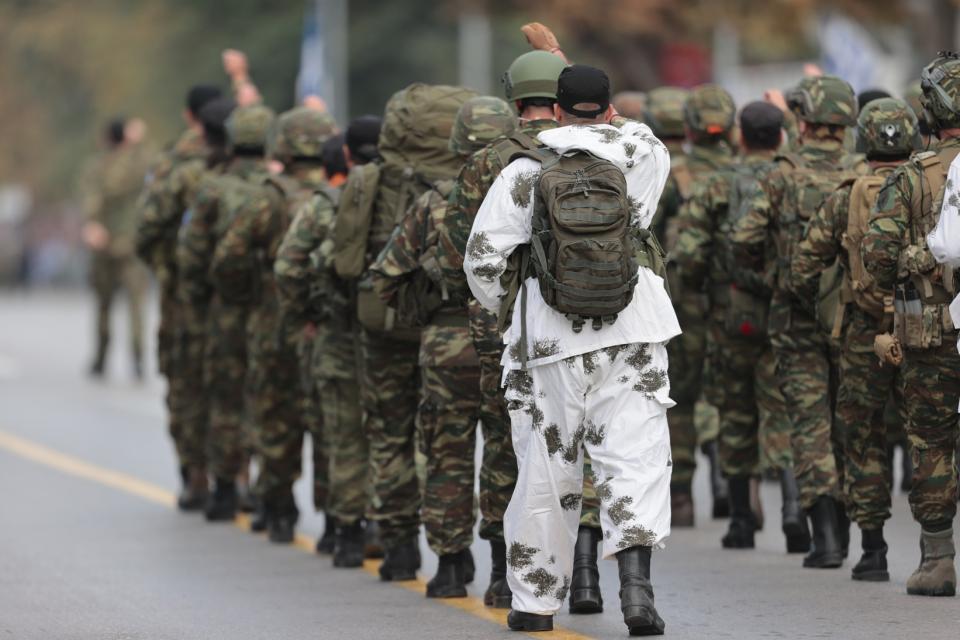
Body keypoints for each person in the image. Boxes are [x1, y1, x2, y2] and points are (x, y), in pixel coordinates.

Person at [465, 64, 677, 635]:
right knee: (634, 460)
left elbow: (482, 260)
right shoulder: (643, 155)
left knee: (547, 469)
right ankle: (637, 592)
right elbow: (639, 141)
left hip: (549, 342)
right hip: (633, 329)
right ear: (609, 108)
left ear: (555, 110)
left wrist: (516, 306)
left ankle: (536, 605)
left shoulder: (525, 171)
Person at [438, 47, 609, 613]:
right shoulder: (600, 146)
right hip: (591, 317)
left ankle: (503, 573)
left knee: (510, 440)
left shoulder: (489, 161)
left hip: (509, 323)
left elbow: (458, 250)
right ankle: (585, 571)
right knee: (582, 438)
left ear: (515, 98)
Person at [371, 96, 516, 598]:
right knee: (505, 453)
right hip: (507, 343)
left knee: (445, 454)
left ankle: (451, 566)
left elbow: (386, 276)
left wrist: (426, 311)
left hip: (444, 347)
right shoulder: (526, 194)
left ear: (456, 145)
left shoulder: (434, 201)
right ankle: (502, 573)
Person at [332, 83, 476, 582]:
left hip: (384, 323)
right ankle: (455, 553)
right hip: (455, 329)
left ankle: (399, 548)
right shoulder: (474, 184)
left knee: (388, 433)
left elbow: (349, 260)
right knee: (447, 441)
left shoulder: (372, 180)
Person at [732, 74, 866, 569]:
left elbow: (744, 238)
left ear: (803, 122)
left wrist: (773, 273)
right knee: (849, 421)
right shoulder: (863, 173)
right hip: (854, 317)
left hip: (794, 316)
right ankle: (854, 533)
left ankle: (825, 538)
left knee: (808, 424)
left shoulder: (780, 174)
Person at [791, 98, 919, 582]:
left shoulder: (847, 196)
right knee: (930, 436)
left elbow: (804, 265)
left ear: (863, 140)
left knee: (863, 437)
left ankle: (873, 550)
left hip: (864, 331)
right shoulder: (931, 186)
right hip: (924, 328)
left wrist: (822, 312)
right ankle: (935, 549)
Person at [674, 101, 806, 552]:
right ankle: (794, 508)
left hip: (731, 314)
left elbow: (690, 252)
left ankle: (742, 522)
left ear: (741, 137)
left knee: (735, 411)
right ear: (781, 136)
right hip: (787, 314)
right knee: (783, 408)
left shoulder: (717, 183)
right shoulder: (794, 178)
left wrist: (699, 291)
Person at [211, 106, 336, 543]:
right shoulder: (342, 193)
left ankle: (278, 508)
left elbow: (228, 257)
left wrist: (249, 293)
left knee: (275, 412)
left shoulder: (269, 197)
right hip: (327, 324)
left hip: (273, 319)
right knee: (330, 418)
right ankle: (337, 521)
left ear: (282, 146)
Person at [863, 52, 960, 597]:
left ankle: (938, 559)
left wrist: (917, 257)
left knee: (931, 441)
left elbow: (877, 259)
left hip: (932, 334)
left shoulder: (910, 176)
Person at [274, 115, 382, 567]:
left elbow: (288, 267)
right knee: (392, 435)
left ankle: (346, 532)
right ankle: (392, 530)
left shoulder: (327, 203)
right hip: (391, 338)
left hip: (337, 334)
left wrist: (306, 315)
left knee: (343, 436)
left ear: (346, 155)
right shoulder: (404, 196)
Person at [177, 103, 275, 522]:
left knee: (225, 397)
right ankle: (260, 486)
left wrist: (202, 297)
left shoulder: (212, 189)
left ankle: (223, 488)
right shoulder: (277, 188)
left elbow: (192, 254)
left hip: (224, 309)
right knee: (268, 396)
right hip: (271, 309)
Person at [136, 83, 223, 510]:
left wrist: (165, 269)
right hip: (236, 296)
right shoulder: (246, 162)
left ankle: (196, 474)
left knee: (186, 382)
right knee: (237, 381)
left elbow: (147, 229)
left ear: (190, 117)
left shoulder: (173, 165)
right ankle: (238, 477)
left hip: (183, 295)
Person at [661, 84, 739, 526]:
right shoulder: (745, 171)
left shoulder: (674, 175)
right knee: (734, 393)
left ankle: (683, 496)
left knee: (682, 397)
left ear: (690, 127)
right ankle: (735, 484)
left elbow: (648, 234)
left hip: (683, 301)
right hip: (736, 300)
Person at [81, 117, 151, 379]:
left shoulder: (97, 166)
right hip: (131, 244)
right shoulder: (138, 163)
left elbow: (91, 199)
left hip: (103, 242)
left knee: (103, 305)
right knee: (136, 306)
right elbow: (155, 164)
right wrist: (137, 143)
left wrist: (92, 224)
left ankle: (101, 357)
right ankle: (138, 359)